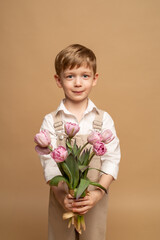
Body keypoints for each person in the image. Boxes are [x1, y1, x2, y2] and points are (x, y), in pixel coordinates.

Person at [39, 44, 121, 240]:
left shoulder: (103, 119)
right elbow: (49, 163)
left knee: (93, 236)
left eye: (85, 76)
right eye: (70, 76)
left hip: (93, 196)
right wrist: (61, 198)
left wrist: (98, 193)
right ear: (59, 80)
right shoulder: (51, 121)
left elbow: (112, 158)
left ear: (95, 79)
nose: (78, 83)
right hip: (63, 198)